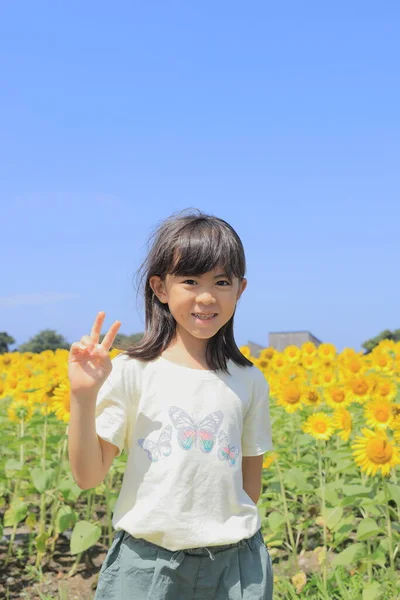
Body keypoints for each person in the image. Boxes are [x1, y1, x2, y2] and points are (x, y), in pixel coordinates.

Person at [68, 209, 274, 600]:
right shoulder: (133, 371)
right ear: (161, 289)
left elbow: (250, 482)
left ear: (240, 290)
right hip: (146, 567)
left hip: (235, 568)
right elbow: (88, 476)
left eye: (222, 281)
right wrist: (83, 395)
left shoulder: (249, 380)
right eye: (190, 280)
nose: (207, 296)